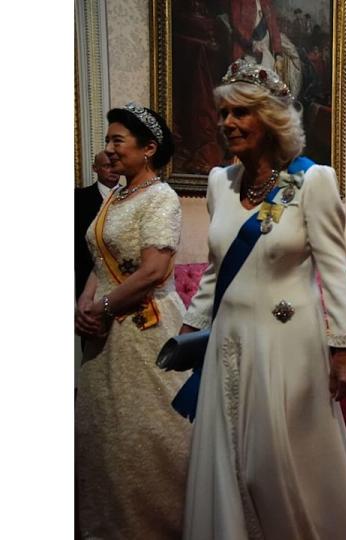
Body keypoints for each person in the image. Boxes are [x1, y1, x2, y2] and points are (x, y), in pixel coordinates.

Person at [179, 60, 346, 538]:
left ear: (270, 119)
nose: (227, 123)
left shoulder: (312, 180)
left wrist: (344, 351)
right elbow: (216, 270)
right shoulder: (220, 183)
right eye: (223, 113)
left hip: (287, 343)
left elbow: (335, 270)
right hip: (229, 344)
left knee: (278, 462)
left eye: (241, 113)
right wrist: (191, 329)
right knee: (229, 459)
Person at [75, 103, 190, 538]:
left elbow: (153, 271)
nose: (108, 149)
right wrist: (82, 304)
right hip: (104, 338)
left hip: (144, 329)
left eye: (116, 140)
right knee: (107, 436)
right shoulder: (117, 198)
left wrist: (101, 309)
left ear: (149, 149)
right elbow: (97, 263)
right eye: (107, 140)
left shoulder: (162, 197)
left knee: (149, 435)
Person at [75, 151, 121, 300]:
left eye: (115, 166)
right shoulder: (78, 198)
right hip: (87, 276)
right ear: (95, 168)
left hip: (123, 278)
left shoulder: (132, 196)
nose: (113, 170)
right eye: (107, 166)